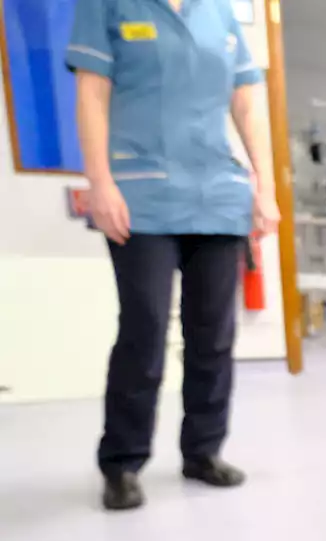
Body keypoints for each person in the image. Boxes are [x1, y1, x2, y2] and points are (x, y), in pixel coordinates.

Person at [67, 0, 280, 511]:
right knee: (143, 329)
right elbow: (92, 93)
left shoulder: (220, 12)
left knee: (213, 333)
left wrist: (265, 186)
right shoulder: (108, 5)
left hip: (217, 193)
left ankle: (203, 451)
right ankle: (122, 461)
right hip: (139, 193)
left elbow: (246, 101)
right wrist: (100, 182)